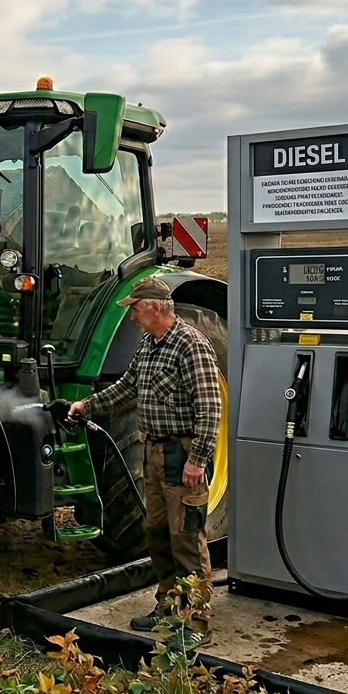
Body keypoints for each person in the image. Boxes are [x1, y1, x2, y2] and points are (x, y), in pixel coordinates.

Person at [68, 277, 222, 650]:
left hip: (181, 455)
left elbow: (210, 408)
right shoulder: (149, 345)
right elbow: (127, 387)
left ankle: (197, 623)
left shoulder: (191, 345)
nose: (132, 317)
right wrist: (87, 406)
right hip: (154, 452)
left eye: (135, 309)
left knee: (186, 538)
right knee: (157, 534)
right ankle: (167, 609)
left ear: (154, 307)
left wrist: (197, 460)